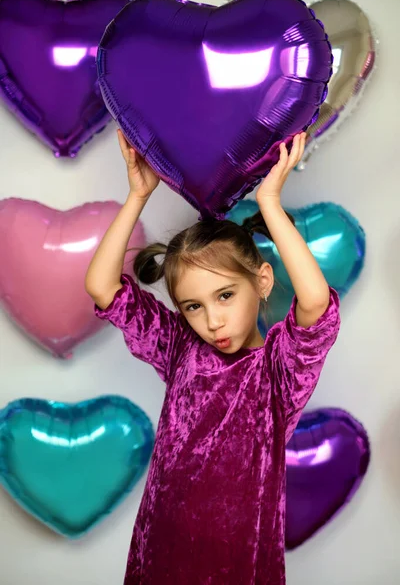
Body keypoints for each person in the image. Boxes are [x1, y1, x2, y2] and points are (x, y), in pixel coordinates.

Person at [85, 130, 340, 585]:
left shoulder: (281, 370)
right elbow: (104, 288)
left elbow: (316, 302)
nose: (212, 321)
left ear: (262, 282)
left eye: (225, 295)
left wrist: (271, 204)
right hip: (161, 547)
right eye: (193, 306)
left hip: (238, 559)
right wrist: (137, 197)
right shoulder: (182, 347)